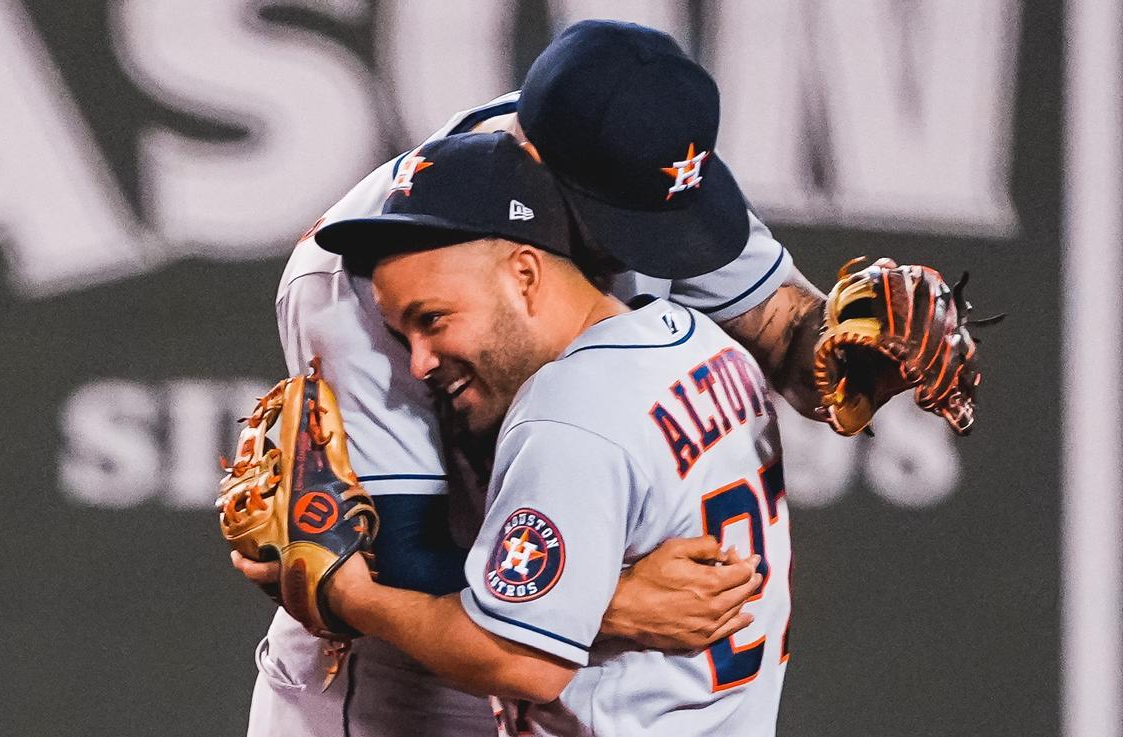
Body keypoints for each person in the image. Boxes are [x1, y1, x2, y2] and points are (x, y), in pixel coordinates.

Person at [240, 20, 822, 737]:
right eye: (619, 222)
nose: (641, 248)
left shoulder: (640, 168)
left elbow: (799, 341)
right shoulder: (355, 281)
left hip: (548, 665)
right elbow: (400, 565)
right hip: (400, 691)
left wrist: (863, 355)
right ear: (535, 161)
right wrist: (596, 603)